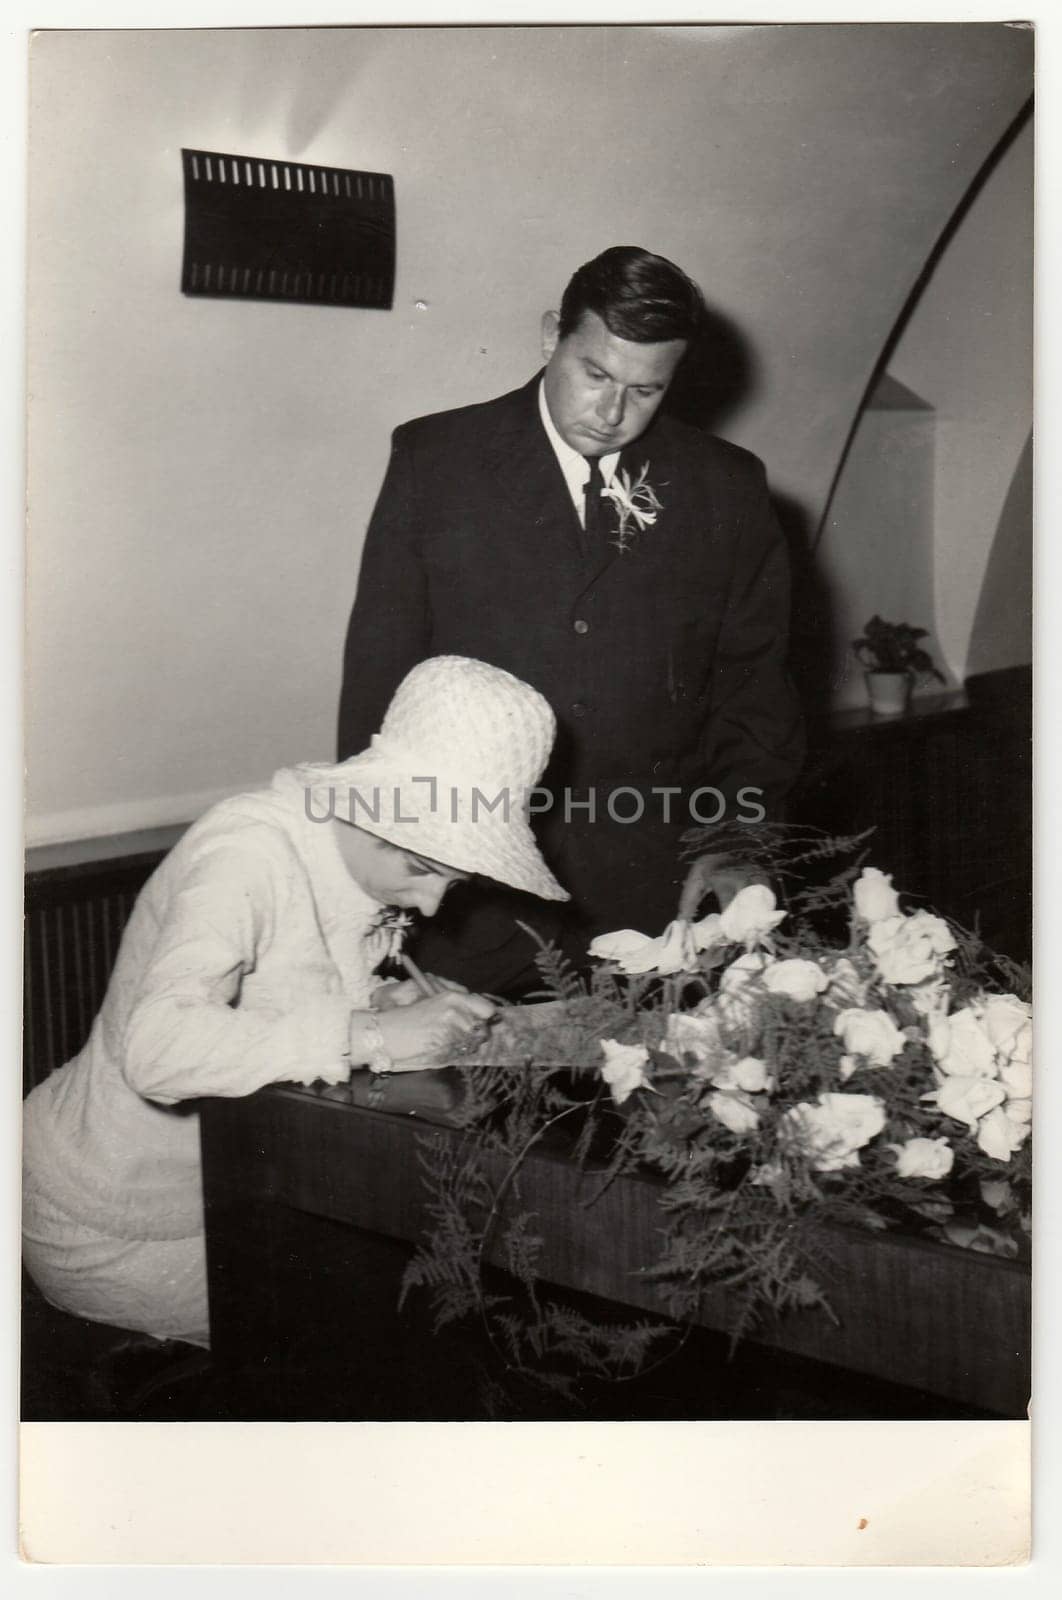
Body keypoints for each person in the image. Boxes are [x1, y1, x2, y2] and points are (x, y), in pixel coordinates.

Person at [22, 656, 568, 1348]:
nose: (432, 903)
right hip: (110, 1221)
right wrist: (371, 1035)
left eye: (452, 884)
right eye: (424, 871)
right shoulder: (248, 852)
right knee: (402, 1337)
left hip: (230, 1194)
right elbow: (156, 1051)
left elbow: (290, 977)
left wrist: (382, 997)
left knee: (432, 1311)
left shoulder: (343, 849)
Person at [337, 246, 804, 992]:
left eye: (646, 391)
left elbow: (752, 693)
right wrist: (369, 884)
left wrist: (738, 840)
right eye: (596, 375)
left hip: (660, 904)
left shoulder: (728, 489)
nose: (613, 413)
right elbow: (377, 680)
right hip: (467, 902)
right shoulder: (437, 461)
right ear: (553, 335)